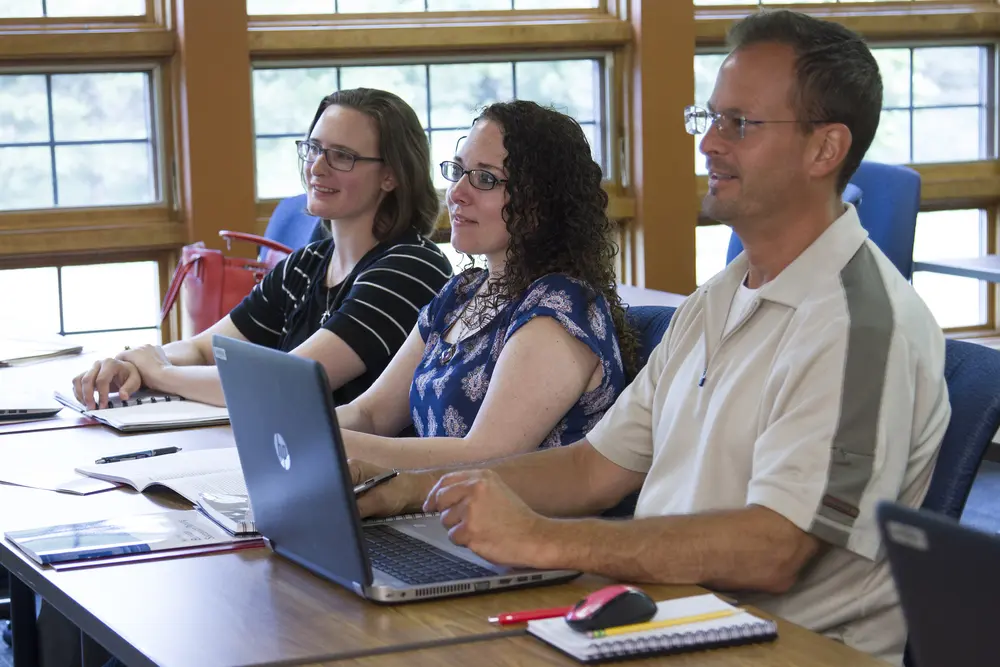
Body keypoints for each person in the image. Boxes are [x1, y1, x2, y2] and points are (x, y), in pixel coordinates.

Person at [347, 11, 950, 666]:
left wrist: (545, 540)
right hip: (665, 620)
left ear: (824, 149)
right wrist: (411, 488)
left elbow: (777, 547)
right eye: (709, 119)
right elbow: (592, 467)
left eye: (738, 125)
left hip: (780, 649)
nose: (708, 145)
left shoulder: (858, 326)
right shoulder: (717, 299)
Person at [72, 88, 453, 409]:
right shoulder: (306, 264)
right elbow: (206, 350)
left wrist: (162, 373)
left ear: (391, 175)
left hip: (372, 481)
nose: (317, 168)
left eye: (342, 156)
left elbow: (285, 383)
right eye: (314, 149)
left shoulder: (411, 267)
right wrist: (133, 364)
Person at [334, 100, 636, 469]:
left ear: (539, 203)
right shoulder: (460, 293)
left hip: (521, 523)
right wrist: (303, 427)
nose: (457, 193)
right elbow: (370, 414)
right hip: (432, 513)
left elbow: (485, 456)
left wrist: (327, 442)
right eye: (459, 171)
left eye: (486, 178)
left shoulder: (560, 309)